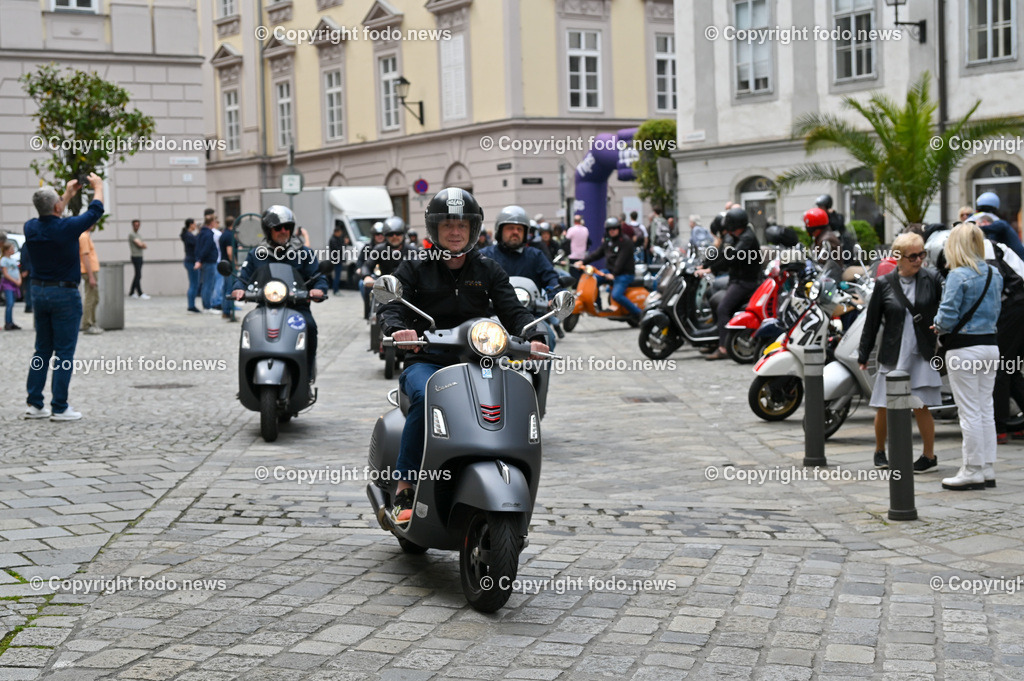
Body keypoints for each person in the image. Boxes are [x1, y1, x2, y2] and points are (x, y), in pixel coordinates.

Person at [378, 188, 549, 527]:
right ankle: (405, 487)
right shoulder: (415, 267)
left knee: (510, 394)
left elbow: (513, 310)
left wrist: (534, 334)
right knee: (428, 395)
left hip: (478, 362)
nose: (455, 233)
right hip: (426, 361)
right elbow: (393, 304)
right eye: (447, 226)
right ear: (434, 230)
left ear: (473, 230)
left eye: (462, 226)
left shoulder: (488, 268)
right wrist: (399, 330)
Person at [857, 232, 943, 471]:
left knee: (921, 405)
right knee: (884, 405)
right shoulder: (885, 284)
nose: (919, 260)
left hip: (922, 352)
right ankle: (880, 451)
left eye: (922, 254)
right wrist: (864, 355)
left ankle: (929, 455)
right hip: (894, 352)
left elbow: (945, 311)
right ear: (898, 257)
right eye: (913, 255)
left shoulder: (932, 279)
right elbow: (872, 322)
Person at [23, 174, 104, 420]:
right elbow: (95, 211)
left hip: (39, 291)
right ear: (58, 206)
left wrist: (67, 195)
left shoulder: (30, 227)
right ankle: (60, 406)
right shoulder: (67, 228)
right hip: (64, 293)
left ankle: (35, 403)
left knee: (42, 350)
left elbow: (52, 213)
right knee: (65, 352)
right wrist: (98, 187)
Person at [934, 223, 1003, 490]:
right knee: (985, 409)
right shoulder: (994, 274)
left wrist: (937, 323)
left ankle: (971, 469)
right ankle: (987, 467)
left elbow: (947, 317)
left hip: (964, 349)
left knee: (969, 411)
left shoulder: (957, 275)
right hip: (990, 346)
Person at [232, 206, 326, 379]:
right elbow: (243, 277)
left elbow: (318, 276)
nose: (283, 231)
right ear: (268, 231)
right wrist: (238, 288)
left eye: (287, 227)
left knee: (310, 326)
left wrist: (318, 289)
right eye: (278, 228)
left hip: (297, 307)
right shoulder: (256, 254)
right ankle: (246, 376)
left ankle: (307, 370)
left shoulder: (304, 253)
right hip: (264, 307)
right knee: (248, 327)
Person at [481, 206, 563, 345]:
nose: (515, 232)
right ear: (500, 231)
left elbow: (550, 277)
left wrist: (553, 296)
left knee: (548, 337)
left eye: (519, 229)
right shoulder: (485, 255)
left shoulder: (535, 256)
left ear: (526, 233)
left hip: (531, 316)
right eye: (510, 228)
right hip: (491, 315)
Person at [698, 207, 762, 360]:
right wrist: (706, 265)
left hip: (746, 282)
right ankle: (716, 339)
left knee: (723, 308)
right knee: (713, 299)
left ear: (734, 225)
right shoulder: (736, 236)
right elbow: (723, 254)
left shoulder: (747, 238)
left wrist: (711, 269)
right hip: (736, 279)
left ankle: (724, 348)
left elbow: (732, 257)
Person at [575, 217, 643, 321]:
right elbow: (597, 254)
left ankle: (639, 314)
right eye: (610, 229)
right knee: (593, 279)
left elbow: (621, 260)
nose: (612, 230)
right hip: (609, 272)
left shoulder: (625, 241)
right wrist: (582, 262)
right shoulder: (608, 241)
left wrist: (614, 274)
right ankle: (597, 305)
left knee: (616, 295)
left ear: (619, 229)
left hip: (624, 274)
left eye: (614, 228)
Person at [975, 192, 1024, 260]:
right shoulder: (999, 227)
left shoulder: (1001, 225)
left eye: (982, 222)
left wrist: (974, 227)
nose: (982, 224)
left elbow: (988, 229)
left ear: (986, 221)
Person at [803, 207, 843, 280]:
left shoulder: (827, 239)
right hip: (827, 277)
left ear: (812, 227)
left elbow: (821, 262)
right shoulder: (822, 237)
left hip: (831, 279)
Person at [357, 222, 386, 319]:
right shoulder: (367, 248)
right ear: (373, 235)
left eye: (382, 234)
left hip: (386, 275)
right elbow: (361, 261)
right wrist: (360, 269)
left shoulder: (389, 248)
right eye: (377, 234)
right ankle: (368, 307)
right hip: (370, 275)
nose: (380, 236)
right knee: (362, 284)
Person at [78, 225, 102, 335]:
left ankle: (92, 322)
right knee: (90, 298)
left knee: (95, 298)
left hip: (92, 271)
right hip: (89, 272)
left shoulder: (86, 236)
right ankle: (87, 324)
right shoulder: (83, 236)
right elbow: (85, 256)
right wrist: (91, 275)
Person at [195, 213, 220, 313]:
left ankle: (206, 305)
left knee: (206, 283)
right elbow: (206, 248)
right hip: (209, 261)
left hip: (205, 261)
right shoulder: (209, 234)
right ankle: (207, 306)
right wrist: (200, 259)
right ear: (211, 222)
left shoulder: (202, 233)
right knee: (208, 284)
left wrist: (199, 259)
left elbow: (198, 248)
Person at [180, 219, 200, 312]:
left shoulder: (188, 235)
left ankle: (191, 305)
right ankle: (191, 305)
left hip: (190, 261)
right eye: (194, 224)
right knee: (193, 284)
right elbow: (196, 246)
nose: (195, 226)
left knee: (193, 284)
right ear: (191, 225)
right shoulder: (189, 236)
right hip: (191, 261)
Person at [219, 217, 237, 321]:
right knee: (229, 289)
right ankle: (227, 311)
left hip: (223, 264)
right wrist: (235, 264)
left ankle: (226, 310)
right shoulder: (229, 235)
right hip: (229, 266)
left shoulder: (224, 234)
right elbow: (230, 252)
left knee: (226, 288)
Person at [1, 241, 21, 330]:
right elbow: (5, 273)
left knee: (12, 304)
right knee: (9, 303)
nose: (13, 250)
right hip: (8, 284)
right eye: (11, 249)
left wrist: (19, 280)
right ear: (6, 250)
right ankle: (8, 322)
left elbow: (17, 271)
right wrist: (15, 281)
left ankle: (11, 322)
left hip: (14, 284)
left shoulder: (13, 260)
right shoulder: (4, 260)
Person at [127, 219, 149, 299]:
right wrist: (142, 244)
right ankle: (140, 293)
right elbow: (140, 245)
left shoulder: (138, 235)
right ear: (133, 225)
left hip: (140, 256)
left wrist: (143, 245)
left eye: (138, 225)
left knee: (137, 275)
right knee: (138, 275)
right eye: (135, 225)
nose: (137, 226)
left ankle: (132, 292)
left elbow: (144, 245)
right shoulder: (132, 235)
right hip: (135, 256)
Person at [328, 224, 347, 294]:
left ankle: (336, 289)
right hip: (336, 260)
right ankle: (335, 290)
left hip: (338, 260)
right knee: (337, 276)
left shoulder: (336, 239)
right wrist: (344, 244)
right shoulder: (333, 240)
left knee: (337, 276)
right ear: (336, 232)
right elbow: (338, 249)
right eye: (339, 232)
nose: (340, 234)